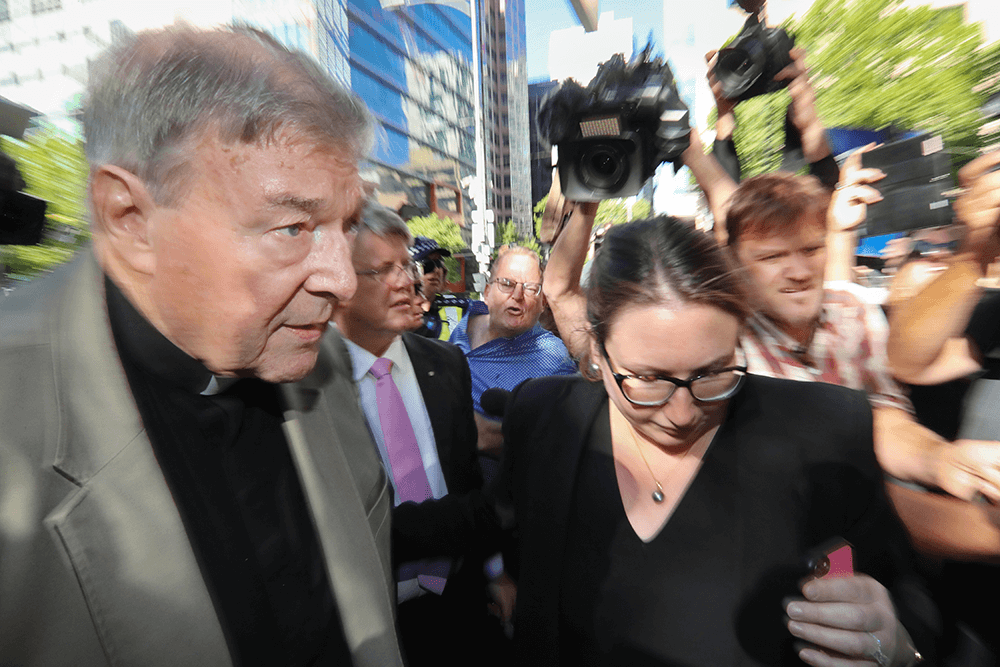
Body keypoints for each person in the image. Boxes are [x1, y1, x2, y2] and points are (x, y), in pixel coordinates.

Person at [0, 25, 402, 666]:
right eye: (293, 226)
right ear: (129, 218)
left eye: (346, 224)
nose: (343, 281)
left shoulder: (314, 356)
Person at [496, 216, 930, 666]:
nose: (682, 414)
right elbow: (502, 534)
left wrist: (896, 643)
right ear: (598, 354)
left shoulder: (827, 428)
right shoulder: (543, 417)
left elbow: (912, 600)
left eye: (712, 373)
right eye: (647, 378)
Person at [331, 204, 506, 666]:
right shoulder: (311, 388)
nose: (406, 280)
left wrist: (496, 572)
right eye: (383, 269)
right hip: (372, 624)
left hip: (463, 604)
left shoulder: (445, 364)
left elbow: (465, 476)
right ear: (341, 285)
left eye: (406, 264)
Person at [450, 245, 576, 454]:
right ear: (487, 292)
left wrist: (494, 434)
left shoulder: (553, 359)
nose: (518, 295)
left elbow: (562, 435)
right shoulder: (459, 324)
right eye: (507, 284)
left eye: (530, 288)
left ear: (542, 303)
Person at [410, 235, 470, 340]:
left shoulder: (457, 308)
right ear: (411, 270)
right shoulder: (396, 311)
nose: (437, 270)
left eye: (439, 263)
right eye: (428, 265)